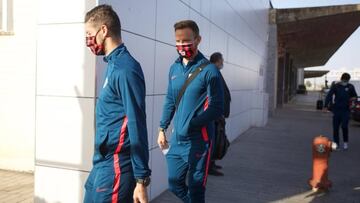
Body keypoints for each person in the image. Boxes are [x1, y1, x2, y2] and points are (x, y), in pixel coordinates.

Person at [83, 5, 151, 203]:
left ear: (103, 31)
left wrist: (141, 179)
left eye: (89, 34)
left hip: (116, 166)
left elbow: (137, 124)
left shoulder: (125, 69)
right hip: (101, 164)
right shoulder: (112, 65)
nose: (87, 40)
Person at [157, 20, 224, 203]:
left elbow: (218, 108)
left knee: (196, 189)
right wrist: (162, 128)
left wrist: (192, 124)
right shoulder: (174, 68)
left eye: (186, 40)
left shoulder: (210, 71)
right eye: (177, 41)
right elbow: (170, 99)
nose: (181, 45)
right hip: (177, 141)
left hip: (199, 141)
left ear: (198, 39)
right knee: (174, 183)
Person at [208, 52, 231, 176]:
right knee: (214, 140)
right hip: (215, 115)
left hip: (219, 115)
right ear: (217, 60)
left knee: (217, 140)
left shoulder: (216, 72)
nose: (222, 62)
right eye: (221, 60)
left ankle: (212, 163)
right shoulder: (212, 72)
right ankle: (209, 166)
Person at [325, 73, 357, 150]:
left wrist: (353, 104)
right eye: (344, 80)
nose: (345, 81)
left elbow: (354, 96)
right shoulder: (336, 86)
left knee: (344, 126)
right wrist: (325, 105)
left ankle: (345, 142)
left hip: (346, 110)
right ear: (341, 79)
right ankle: (336, 144)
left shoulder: (350, 87)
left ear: (348, 80)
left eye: (346, 80)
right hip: (336, 110)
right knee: (335, 128)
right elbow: (329, 95)